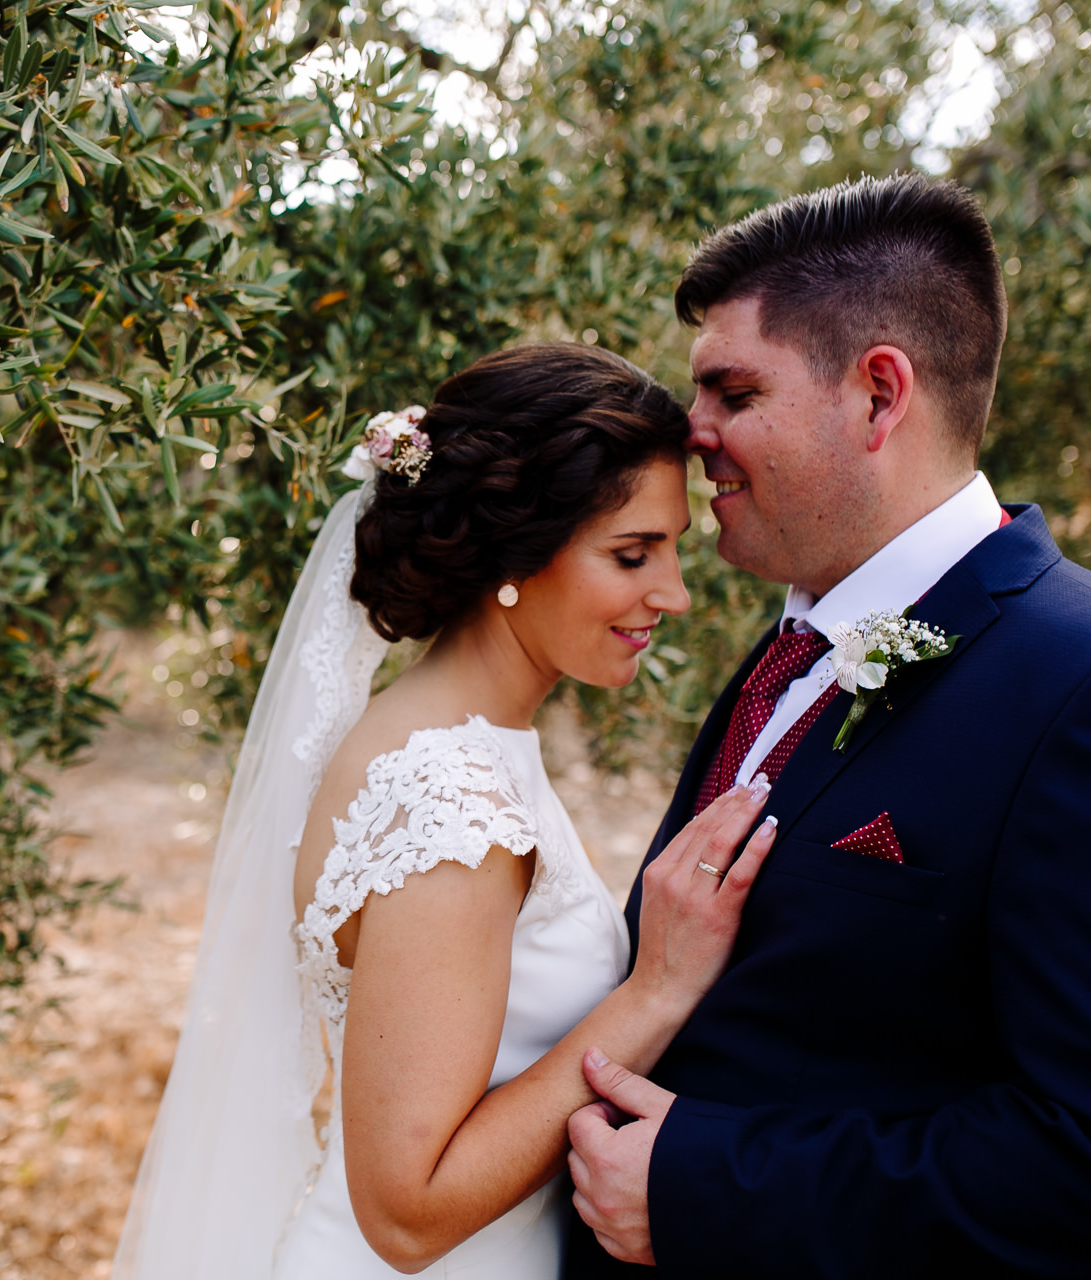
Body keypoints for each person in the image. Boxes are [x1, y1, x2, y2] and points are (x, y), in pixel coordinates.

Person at [563, 174, 1091, 1277]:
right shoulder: (792, 650)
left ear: (877, 394)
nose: (692, 434)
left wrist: (707, 1185)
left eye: (731, 391)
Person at [113, 343, 780, 1279]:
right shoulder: (453, 807)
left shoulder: (440, 740)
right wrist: (654, 993)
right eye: (633, 554)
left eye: (674, 548)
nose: (670, 593)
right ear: (514, 556)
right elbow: (410, 1213)